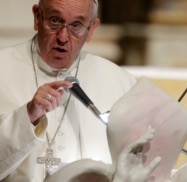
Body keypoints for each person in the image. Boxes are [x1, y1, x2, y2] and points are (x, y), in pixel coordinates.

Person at [0, 0, 136, 181]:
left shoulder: (121, 83)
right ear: (37, 17)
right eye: (55, 21)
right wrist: (28, 117)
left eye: (76, 25)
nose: (63, 37)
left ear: (92, 29)